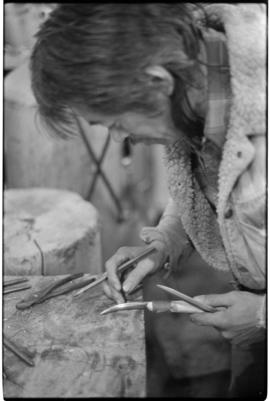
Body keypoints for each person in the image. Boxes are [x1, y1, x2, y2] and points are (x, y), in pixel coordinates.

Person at [30, 3, 266, 397]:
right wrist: (167, 241)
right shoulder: (204, 85)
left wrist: (262, 316)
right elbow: (218, 184)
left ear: (158, 81)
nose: (120, 139)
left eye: (117, 123)